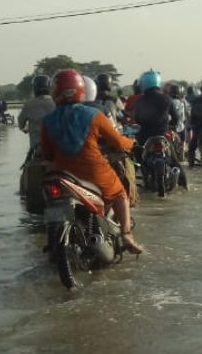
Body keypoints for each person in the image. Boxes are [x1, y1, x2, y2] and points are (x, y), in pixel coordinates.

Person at [40, 69, 144, 254]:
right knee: (120, 193)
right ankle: (127, 234)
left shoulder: (47, 121)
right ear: (80, 89)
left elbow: (47, 155)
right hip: (95, 174)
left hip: (65, 176)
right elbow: (119, 142)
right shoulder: (94, 115)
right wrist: (133, 143)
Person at [133, 70, 186, 189]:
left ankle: (140, 180)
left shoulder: (140, 101)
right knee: (174, 161)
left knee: (137, 157)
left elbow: (137, 119)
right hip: (163, 135)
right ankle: (185, 186)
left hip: (145, 136)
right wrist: (169, 125)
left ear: (143, 84)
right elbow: (176, 119)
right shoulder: (167, 99)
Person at [17, 75, 56, 156]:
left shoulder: (29, 104)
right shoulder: (57, 102)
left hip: (37, 149)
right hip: (57, 149)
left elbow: (21, 124)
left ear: (34, 88)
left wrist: (26, 129)